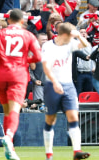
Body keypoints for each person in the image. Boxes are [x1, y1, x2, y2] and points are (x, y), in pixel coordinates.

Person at [0, 8, 42, 160]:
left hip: (1, 74)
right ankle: (9, 136)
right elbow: (37, 56)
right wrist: (24, 60)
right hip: (18, 75)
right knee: (15, 111)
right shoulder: (28, 35)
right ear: (22, 21)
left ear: (8, 20)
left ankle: (9, 150)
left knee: (6, 111)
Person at [41, 22, 91, 160]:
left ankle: (77, 151)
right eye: (71, 36)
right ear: (64, 35)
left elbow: (86, 46)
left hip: (68, 85)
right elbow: (46, 67)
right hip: (52, 85)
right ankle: (49, 154)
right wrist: (55, 82)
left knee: (74, 117)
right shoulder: (48, 46)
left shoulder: (70, 43)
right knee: (51, 119)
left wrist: (79, 36)